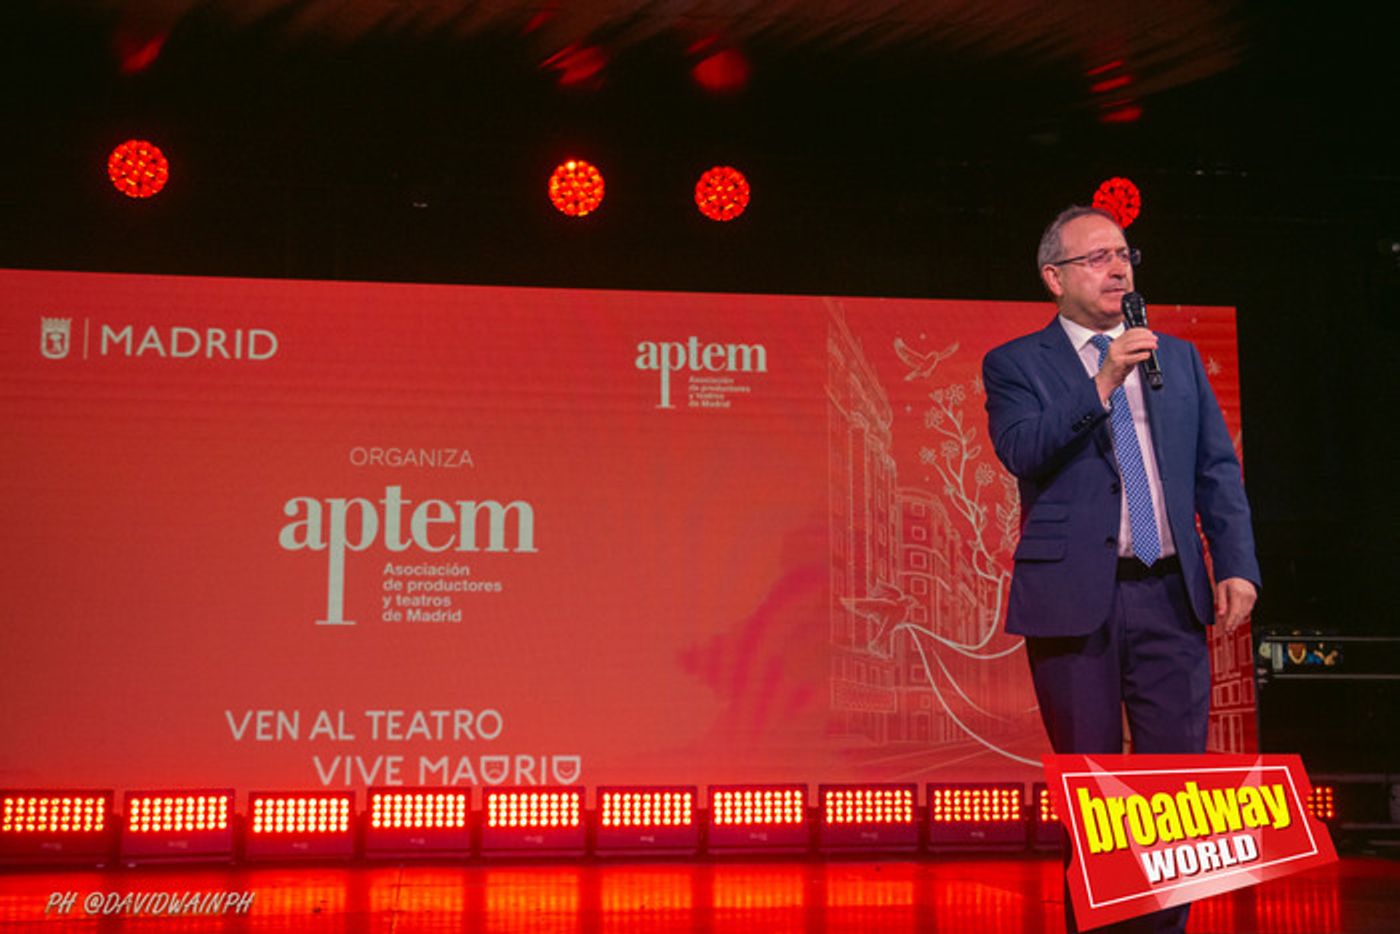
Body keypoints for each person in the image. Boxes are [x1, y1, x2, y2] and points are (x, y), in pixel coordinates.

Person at [982, 205, 1260, 932]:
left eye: (1124, 254)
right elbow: (1021, 449)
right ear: (1054, 278)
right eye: (1097, 257)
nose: (1118, 269)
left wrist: (1236, 562)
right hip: (1077, 601)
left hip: (1170, 592)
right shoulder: (1017, 363)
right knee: (1096, 794)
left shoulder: (1177, 357)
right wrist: (1101, 381)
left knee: (1177, 800)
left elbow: (1216, 469)